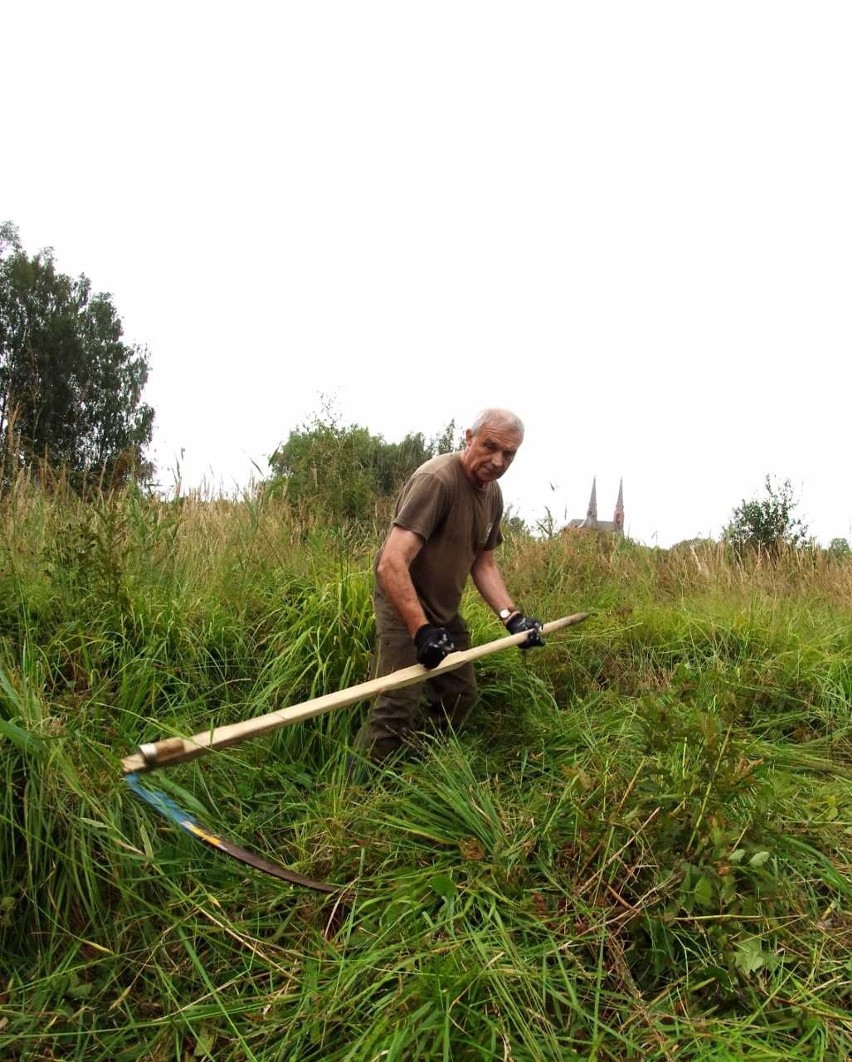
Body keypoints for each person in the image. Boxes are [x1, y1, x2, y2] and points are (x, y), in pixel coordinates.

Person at [352, 407, 544, 765]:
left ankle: (422, 766)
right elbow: (390, 563)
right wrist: (421, 632)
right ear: (469, 438)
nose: (498, 461)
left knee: (459, 693)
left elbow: (483, 563)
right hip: (403, 605)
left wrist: (512, 618)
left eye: (509, 454)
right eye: (490, 446)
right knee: (396, 703)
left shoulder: (492, 494)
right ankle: (355, 795)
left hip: (444, 609)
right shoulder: (437, 480)